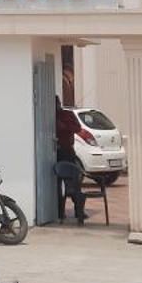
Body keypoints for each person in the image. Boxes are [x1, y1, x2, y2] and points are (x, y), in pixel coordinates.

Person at [53, 95, 90, 224]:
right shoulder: (48, 115)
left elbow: (77, 128)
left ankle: (79, 210)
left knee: (74, 182)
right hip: (53, 153)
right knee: (55, 185)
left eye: (56, 103)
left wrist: (63, 126)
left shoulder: (67, 115)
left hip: (67, 151)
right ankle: (58, 212)